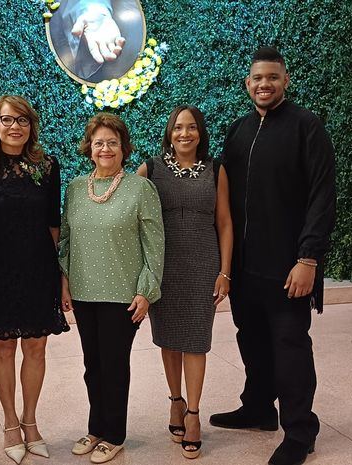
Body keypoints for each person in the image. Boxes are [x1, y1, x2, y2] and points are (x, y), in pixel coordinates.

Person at [209, 47, 336, 465]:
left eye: (272, 78)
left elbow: (322, 195)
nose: (264, 84)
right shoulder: (238, 130)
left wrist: (309, 259)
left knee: (290, 347)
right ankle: (259, 408)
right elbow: (221, 192)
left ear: (285, 81)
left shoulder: (307, 126)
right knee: (253, 341)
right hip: (246, 268)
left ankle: (300, 431)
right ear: (248, 84)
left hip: (289, 267)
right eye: (257, 78)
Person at [0, 95, 70, 464]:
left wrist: (59, 274)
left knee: (37, 347)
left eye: (23, 120)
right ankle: (10, 422)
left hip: (38, 267)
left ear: (32, 125)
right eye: (8, 120)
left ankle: (30, 420)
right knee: (3, 348)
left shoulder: (47, 167)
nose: (15, 127)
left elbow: (53, 225)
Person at [59, 113, 164, 464]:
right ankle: (96, 428)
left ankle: (114, 434)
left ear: (123, 148)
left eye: (112, 143)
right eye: (99, 142)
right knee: (93, 364)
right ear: (89, 148)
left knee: (115, 364)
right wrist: (65, 281)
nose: (105, 148)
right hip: (85, 291)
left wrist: (146, 290)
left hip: (124, 294)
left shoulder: (140, 188)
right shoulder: (75, 189)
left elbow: (155, 243)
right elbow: (68, 241)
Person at [137, 105, 233, 459]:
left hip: (202, 265)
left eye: (192, 128)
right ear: (169, 132)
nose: (185, 134)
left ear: (200, 132)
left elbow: (224, 223)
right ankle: (174, 400)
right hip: (163, 266)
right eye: (178, 127)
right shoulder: (151, 168)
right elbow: (129, 206)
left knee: (196, 340)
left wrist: (225, 272)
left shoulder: (216, 169)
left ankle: (193, 412)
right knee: (169, 339)